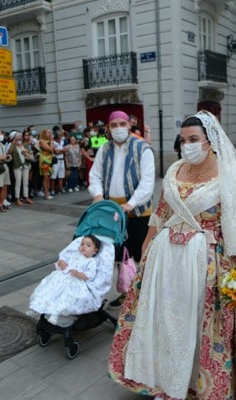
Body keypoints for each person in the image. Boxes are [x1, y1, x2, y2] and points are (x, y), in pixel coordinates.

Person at [108, 110, 236, 399]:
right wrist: (146, 254)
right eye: (183, 140)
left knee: (198, 325)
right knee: (166, 322)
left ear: (211, 141)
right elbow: (160, 216)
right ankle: (164, 381)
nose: (187, 145)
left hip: (208, 264)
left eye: (193, 139)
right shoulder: (175, 170)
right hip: (165, 262)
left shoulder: (232, 175)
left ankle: (193, 384)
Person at [89, 110, 155, 307]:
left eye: (122, 124)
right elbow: (95, 175)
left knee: (140, 252)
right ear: (108, 129)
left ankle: (144, 292)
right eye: (114, 125)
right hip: (112, 210)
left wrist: (130, 204)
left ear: (129, 125)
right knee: (120, 254)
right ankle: (127, 291)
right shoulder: (104, 148)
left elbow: (147, 182)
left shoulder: (142, 148)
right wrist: (98, 196)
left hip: (138, 209)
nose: (118, 128)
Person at [28, 235, 104, 327]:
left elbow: (89, 276)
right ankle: (36, 308)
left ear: (95, 251)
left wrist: (78, 274)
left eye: (88, 246)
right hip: (60, 278)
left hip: (75, 282)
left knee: (64, 297)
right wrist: (61, 263)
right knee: (48, 291)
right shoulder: (74, 255)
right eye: (82, 244)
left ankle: (55, 314)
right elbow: (62, 261)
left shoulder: (91, 261)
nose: (84, 247)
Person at [8, 131, 33, 206]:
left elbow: (30, 153)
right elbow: (9, 152)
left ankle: (26, 197)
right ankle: (17, 199)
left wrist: (26, 151)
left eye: (20, 136)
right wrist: (13, 142)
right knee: (18, 182)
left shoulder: (25, 144)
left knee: (26, 182)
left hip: (25, 165)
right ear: (14, 137)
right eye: (17, 136)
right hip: (17, 165)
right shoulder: (12, 145)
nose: (19, 138)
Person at [37, 128, 55, 200]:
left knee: (49, 177)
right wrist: (52, 141)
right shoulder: (42, 141)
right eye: (48, 133)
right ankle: (46, 194)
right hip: (44, 161)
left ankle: (48, 192)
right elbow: (50, 149)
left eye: (50, 132)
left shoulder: (49, 141)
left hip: (49, 161)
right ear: (44, 134)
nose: (50, 134)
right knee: (46, 177)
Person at [51, 130, 66, 196]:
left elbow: (65, 150)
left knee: (61, 175)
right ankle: (52, 189)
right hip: (56, 160)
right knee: (53, 176)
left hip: (62, 160)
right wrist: (62, 151)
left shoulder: (62, 141)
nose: (61, 136)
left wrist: (60, 151)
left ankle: (61, 188)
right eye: (60, 135)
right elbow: (56, 152)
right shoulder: (53, 143)